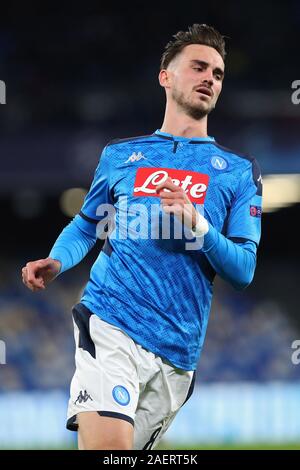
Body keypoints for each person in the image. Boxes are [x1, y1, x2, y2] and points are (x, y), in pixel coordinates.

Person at [21, 24, 262, 450]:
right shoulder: (120, 155)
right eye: (199, 67)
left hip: (178, 353)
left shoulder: (239, 172)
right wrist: (57, 260)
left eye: (219, 74)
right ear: (165, 76)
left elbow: (243, 270)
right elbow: (87, 224)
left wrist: (198, 225)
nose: (210, 78)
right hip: (111, 321)